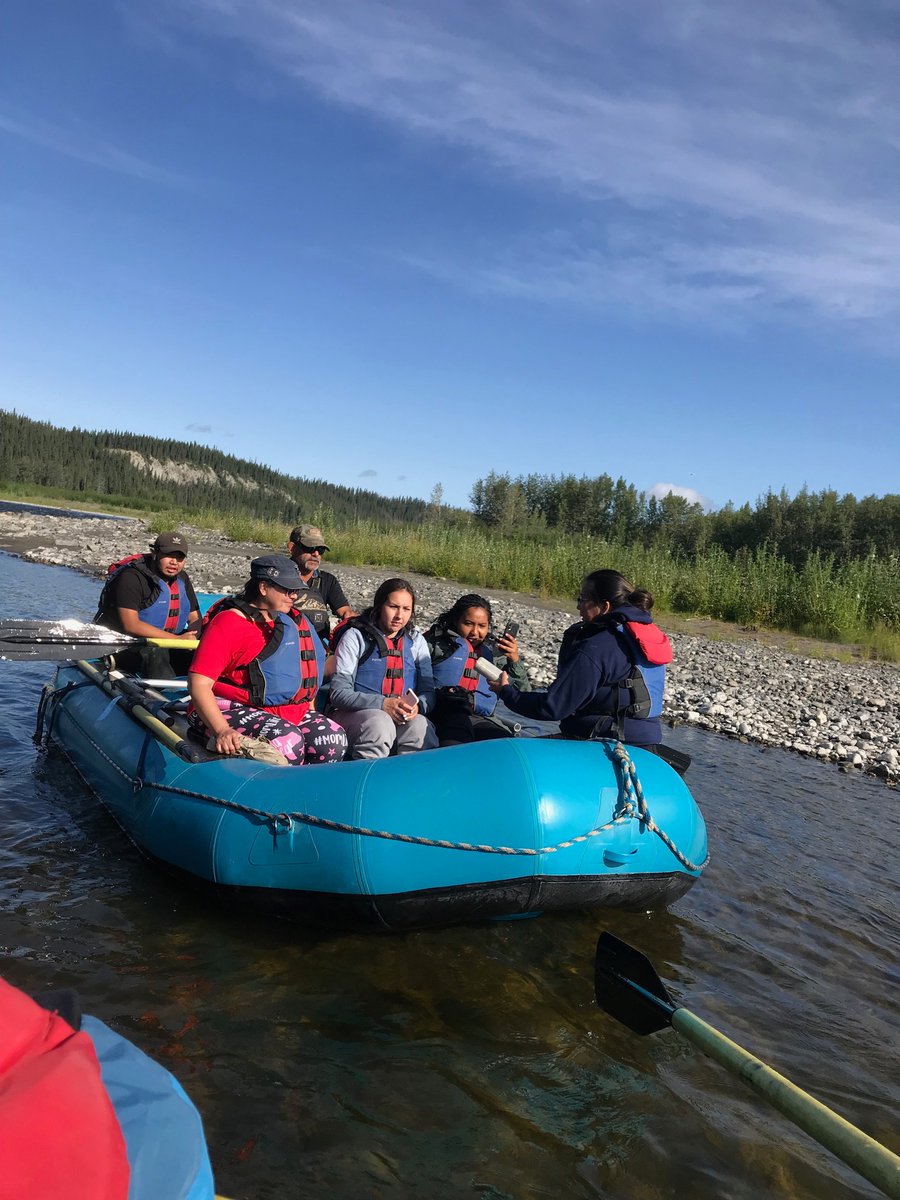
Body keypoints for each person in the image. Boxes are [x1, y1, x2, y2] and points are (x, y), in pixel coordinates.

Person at [188, 554, 347, 765]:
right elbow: (198, 684)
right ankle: (277, 795)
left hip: (283, 709)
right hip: (229, 708)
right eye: (287, 590)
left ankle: (310, 793)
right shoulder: (228, 623)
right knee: (288, 741)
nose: (294, 596)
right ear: (263, 588)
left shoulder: (292, 621)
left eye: (297, 591)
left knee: (332, 739)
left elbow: (304, 672)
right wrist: (222, 730)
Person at [489, 569, 672, 747]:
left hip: (608, 742)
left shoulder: (599, 645)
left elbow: (553, 707)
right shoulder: (638, 634)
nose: (578, 606)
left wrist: (507, 692)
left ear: (604, 606)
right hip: (646, 741)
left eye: (583, 599)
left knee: (508, 750)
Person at [328, 578, 438, 759]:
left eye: (406, 609)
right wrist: (383, 704)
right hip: (356, 717)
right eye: (393, 606)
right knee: (380, 723)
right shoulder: (355, 637)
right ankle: (365, 779)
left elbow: (428, 693)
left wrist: (418, 708)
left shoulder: (416, 641)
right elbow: (339, 694)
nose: (399, 616)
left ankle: (411, 781)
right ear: (379, 606)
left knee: (420, 726)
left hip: (402, 716)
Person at [424, 593, 531, 745]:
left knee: (504, 745)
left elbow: (524, 694)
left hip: (480, 718)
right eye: (468, 624)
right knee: (458, 729)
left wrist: (514, 660)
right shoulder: (436, 645)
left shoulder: (495, 655)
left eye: (482, 626)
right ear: (456, 621)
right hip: (442, 713)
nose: (475, 632)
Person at [94, 531, 200, 677]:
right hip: (127, 645)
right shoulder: (131, 578)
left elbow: (194, 617)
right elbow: (131, 625)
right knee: (155, 651)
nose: (174, 562)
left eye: (180, 557)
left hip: (170, 643)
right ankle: (161, 694)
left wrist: (191, 637)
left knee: (203, 653)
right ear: (155, 553)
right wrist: (178, 640)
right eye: (169, 555)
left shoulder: (182, 578)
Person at [287, 523, 357, 644]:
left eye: (320, 550)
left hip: (317, 649)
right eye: (309, 548)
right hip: (284, 646)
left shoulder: (328, 581)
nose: (316, 554)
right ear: (292, 548)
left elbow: (345, 611)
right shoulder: (276, 577)